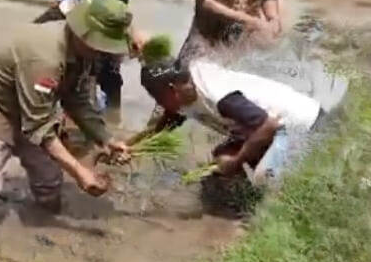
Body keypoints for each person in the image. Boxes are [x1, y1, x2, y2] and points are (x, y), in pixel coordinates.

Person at [0, 0, 135, 236]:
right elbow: (39, 125)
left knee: (50, 182)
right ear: (82, 34)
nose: (104, 52)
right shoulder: (46, 58)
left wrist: (106, 139)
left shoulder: (86, 55)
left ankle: (45, 228)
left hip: (32, 108)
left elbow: (77, 99)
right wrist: (79, 171)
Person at [129, 58, 329, 186]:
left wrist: (236, 161)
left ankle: (267, 209)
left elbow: (269, 125)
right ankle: (241, 206)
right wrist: (129, 146)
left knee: (263, 176)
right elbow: (168, 122)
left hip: (303, 127)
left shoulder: (219, 97)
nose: (158, 103)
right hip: (268, 124)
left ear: (172, 89)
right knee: (221, 157)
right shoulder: (186, 88)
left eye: (157, 97)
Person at [34, 0, 137, 112]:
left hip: (106, 26)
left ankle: (114, 116)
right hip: (82, 23)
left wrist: (128, 36)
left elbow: (122, 8)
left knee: (112, 75)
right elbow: (67, 6)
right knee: (80, 72)